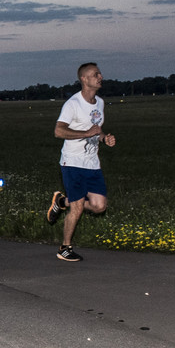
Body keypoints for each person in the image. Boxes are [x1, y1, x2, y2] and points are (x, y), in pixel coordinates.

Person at [47, 62, 116, 262]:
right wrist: (85, 133)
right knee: (77, 207)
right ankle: (65, 248)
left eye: (100, 74)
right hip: (72, 161)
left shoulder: (100, 103)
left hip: (92, 163)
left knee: (99, 205)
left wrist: (104, 138)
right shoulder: (73, 104)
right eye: (96, 74)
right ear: (84, 79)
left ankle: (62, 202)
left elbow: (96, 129)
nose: (100, 77)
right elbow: (58, 131)